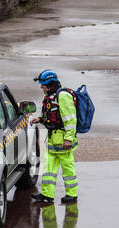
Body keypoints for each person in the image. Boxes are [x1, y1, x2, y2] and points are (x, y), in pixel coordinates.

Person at [30, 70, 78, 203]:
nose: (41, 87)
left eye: (43, 84)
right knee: (48, 170)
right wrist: (40, 119)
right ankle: (47, 194)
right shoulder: (51, 96)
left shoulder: (62, 96)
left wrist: (68, 138)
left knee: (68, 169)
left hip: (63, 140)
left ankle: (72, 194)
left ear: (50, 84)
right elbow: (52, 114)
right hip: (52, 140)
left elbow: (71, 120)